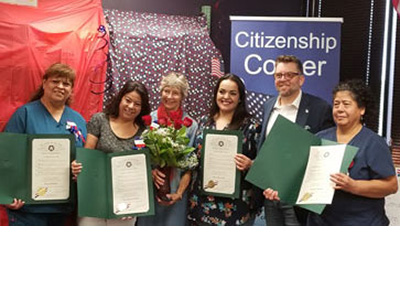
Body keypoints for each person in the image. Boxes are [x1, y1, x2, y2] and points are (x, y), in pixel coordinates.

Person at [3, 63, 87, 226]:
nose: (60, 87)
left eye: (66, 83)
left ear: (71, 89)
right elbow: (7, 155)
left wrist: (80, 171)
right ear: (44, 83)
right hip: (27, 208)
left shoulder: (78, 120)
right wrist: (6, 196)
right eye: (55, 81)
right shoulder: (25, 114)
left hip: (62, 207)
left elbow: (84, 159)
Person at [305, 79, 397, 225]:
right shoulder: (320, 138)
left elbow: (391, 186)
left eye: (346, 104)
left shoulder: (373, 143)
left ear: (362, 109)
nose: (339, 109)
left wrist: (354, 186)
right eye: (336, 104)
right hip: (320, 222)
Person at [257, 55, 335, 226]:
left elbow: (324, 154)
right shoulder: (268, 106)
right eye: (279, 75)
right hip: (271, 195)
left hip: (300, 197)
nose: (283, 79)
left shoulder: (319, 109)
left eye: (289, 75)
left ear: (301, 79)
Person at [72, 80, 151, 226]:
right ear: (120, 98)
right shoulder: (100, 120)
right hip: (94, 200)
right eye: (128, 100)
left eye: (137, 104)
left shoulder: (145, 132)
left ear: (142, 108)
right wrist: (78, 167)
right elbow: (87, 155)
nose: (131, 106)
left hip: (126, 206)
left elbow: (144, 170)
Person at [187, 73, 259, 225]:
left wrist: (251, 164)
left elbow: (264, 163)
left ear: (240, 98)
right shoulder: (202, 123)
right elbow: (193, 158)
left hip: (235, 207)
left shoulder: (251, 126)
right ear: (215, 94)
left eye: (233, 93)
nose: (226, 97)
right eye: (222, 92)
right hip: (202, 202)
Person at [137, 72, 198, 226]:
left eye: (175, 93)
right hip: (149, 188)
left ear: (182, 96)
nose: (170, 96)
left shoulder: (190, 125)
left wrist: (179, 193)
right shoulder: (148, 120)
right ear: (160, 91)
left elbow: (190, 166)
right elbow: (138, 153)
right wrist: (150, 171)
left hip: (176, 189)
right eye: (166, 91)